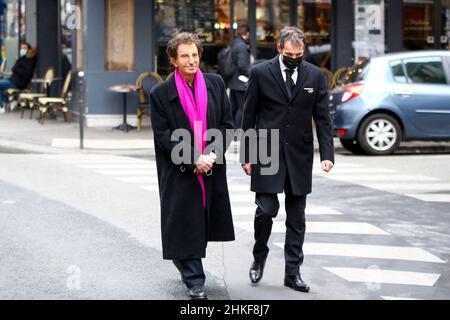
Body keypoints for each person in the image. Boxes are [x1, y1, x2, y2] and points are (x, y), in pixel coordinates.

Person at [241, 26, 335, 293]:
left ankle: (292, 273)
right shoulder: (260, 72)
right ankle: (259, 257)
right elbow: (248, 116)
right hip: (266, 151)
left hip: (299, 154)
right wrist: (247, 155)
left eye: (300, 53)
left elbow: (323, 119)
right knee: (267, 210)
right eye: (290, 53)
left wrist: (327, 154)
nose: (295, 57)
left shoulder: (315, 75)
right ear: (279, 49)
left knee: (297, 217)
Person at [149, 32, 235, 300]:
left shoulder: (216, 84)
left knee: (202, 222)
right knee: (186, 221)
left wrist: (210, 154)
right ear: (173, 60)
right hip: (178, 170)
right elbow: (163, 136)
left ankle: (183, 257)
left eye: (195, 55)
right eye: (184, 56)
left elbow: (227, 125)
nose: (191, 60)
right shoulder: (160, 94)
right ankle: (195, 280)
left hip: (210, 165)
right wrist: (192, 158)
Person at [0, 42, 37, 110]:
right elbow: (14, 68)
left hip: (18, 82)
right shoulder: (22, 58)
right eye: (21, 48)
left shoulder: (30, 60)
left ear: (28, 49)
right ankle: (7, 102)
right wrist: (16, 69)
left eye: (24, 48)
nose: (22, 49)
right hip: (13, 80)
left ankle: (2, 105)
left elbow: (26, 73)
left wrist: (17, 69)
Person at [229, 24, 251, 130]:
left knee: (233, 107)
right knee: (242, 108)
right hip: (240, 82)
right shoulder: (241, 46)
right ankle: (237, 131)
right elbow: (243, 66)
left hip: (233, 81)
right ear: (247, 33)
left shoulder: (234, 44)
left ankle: (229, 130)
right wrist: (251, 74)